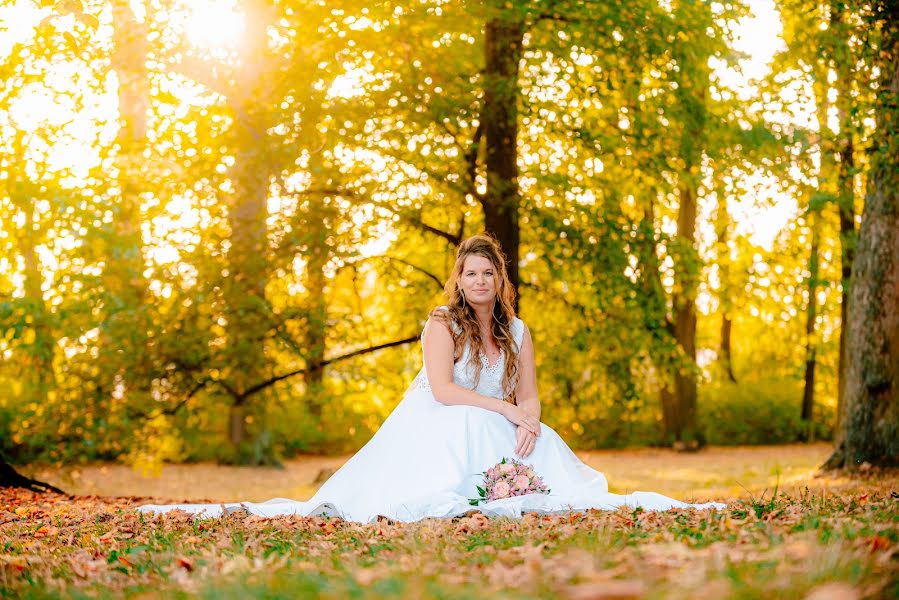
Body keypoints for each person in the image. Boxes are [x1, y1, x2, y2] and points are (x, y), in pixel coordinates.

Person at [137, 234, 726, 522]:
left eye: (487, 272)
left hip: (495, 423)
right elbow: (444, 392)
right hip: (440, 421)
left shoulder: (519, 331)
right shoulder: (441, 323)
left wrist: (530, 418)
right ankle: (477, 489)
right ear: (459, 279)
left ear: (499, 279)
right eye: (469, 272)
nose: (478, 280)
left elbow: (530, 394)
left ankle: (518, 483)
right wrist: (506, 412)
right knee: (469, 421)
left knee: (542, 444)